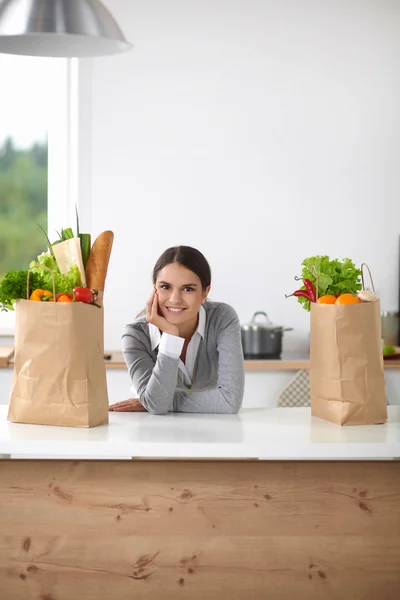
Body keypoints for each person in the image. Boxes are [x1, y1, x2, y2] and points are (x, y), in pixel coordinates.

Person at [108, 245, 245, 414]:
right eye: (165, 287)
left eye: (188, 289)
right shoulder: (135, 335)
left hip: (213, 429)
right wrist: (171, 337)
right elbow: (157, 406)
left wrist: (157, 401)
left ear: (204, 293)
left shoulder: (222, 318)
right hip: (155, 430)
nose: (175, 299)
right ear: (154, 288)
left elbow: (229, 402)